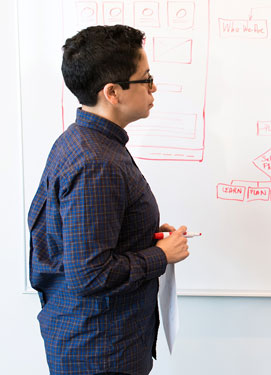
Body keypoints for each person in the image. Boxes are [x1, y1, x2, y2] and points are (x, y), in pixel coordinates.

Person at [27, 25, 190, 375]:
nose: (153, 87)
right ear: (113, 92)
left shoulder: (87, 143)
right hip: (100, 351)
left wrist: (144, 234)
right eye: (145, 79)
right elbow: (90, 275)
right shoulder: (96, 162)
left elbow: (89, 244)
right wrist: (160, 255)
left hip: (98, 343)